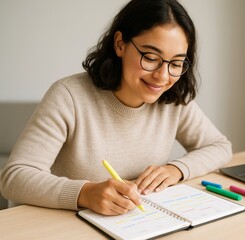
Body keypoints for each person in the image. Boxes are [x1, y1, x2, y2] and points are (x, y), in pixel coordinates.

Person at [0, 0, 232, 216]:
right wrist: (84, 193)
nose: (162, 76)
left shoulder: (172, 98)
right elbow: (14, 178)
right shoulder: (69, 96)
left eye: (176, 63)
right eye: (151, 57)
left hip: (133, 224)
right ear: (120, 44)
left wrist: (177, 169)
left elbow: (220, 147)